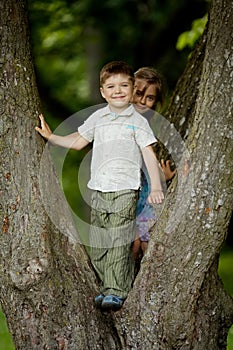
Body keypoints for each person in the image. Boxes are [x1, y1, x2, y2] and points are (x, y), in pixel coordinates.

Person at [35, 61, 164, 311]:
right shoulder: (99, 117)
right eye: (111, 86)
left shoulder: (138, 121)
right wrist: (53, 137)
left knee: (117, 240)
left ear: (131, 88)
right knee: (99, 243)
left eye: (124, 85)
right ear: (103, 92)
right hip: (98, 189)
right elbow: (78, 142)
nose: (118, 90)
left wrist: (157, 187)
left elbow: (149, 154)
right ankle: (109, 287)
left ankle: (117, 291)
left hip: (126, 190)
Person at [131, 67, 176, 261]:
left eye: (149, 98)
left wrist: (162, 177)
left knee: (144, 241)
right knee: (133, 243)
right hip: (127, 193)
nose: (142, 101)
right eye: (139, 94)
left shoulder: (146, 126)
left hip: (146, 194)